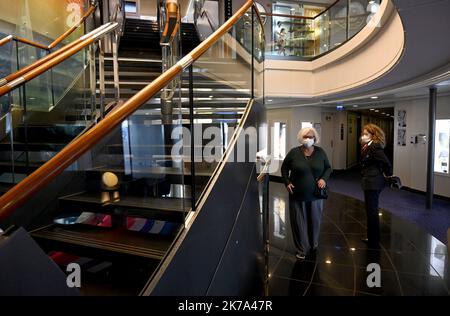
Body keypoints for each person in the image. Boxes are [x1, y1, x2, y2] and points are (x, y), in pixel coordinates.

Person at [281, 127, 332, 260]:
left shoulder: (320, 152)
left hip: (315, 195)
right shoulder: (294, 152)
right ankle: (301, 249)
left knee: (314, 221)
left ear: (315, 138)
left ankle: (313, 244)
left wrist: (323, 179)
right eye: (305, 136)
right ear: (301, 138)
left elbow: (328, 168)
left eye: (310, 137)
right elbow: (284, 168)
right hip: (297, 194)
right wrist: (287, 182)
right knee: (299, 222)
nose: (308, 139)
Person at [360, 124, 393, 248]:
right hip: (370, 182)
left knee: (372, 211)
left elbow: (386, 162)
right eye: (363, 133)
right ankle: (372, 237)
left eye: (366, 134)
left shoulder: (375, 147)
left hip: (373, 183)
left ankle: (373, 239)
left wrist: (389, 175)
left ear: (374, 135)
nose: (363, 136)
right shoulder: (367, 146)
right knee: (370, 210)